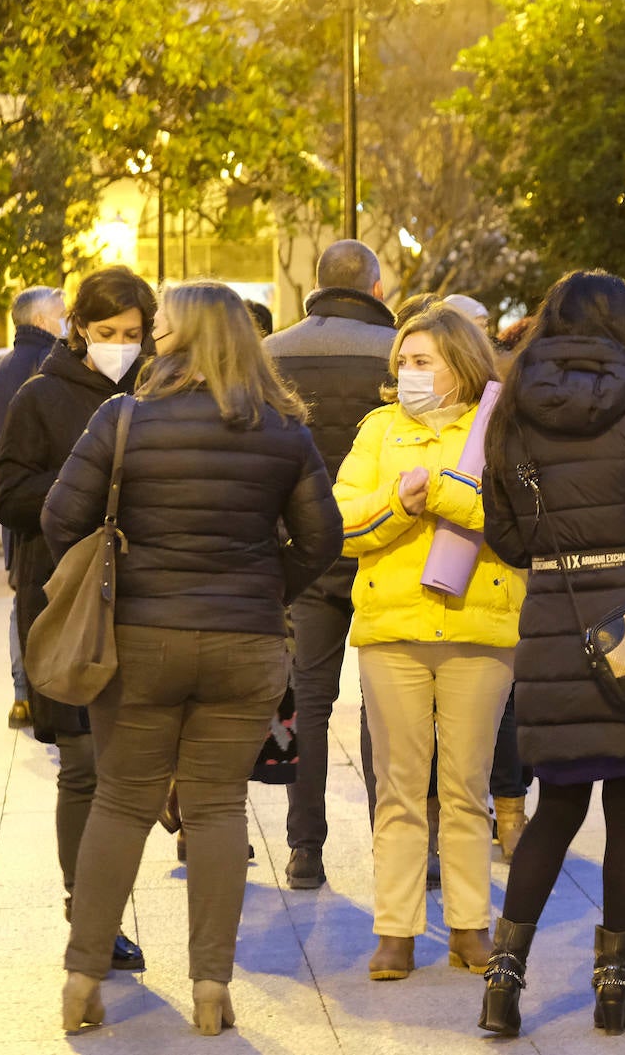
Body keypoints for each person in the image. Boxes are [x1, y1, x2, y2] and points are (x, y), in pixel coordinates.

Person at [43, 280, 342, 1035]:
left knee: (120, 801)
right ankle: (212, 989)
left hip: (141, 639)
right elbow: (322, 540)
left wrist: (124, 575)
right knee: (216, 809)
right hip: (245, 645)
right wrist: (267, 588)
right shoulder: (283, 429)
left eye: (162, 326)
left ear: (178, 337)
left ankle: (82, 978)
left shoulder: (124, 419)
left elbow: (59, 517)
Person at [478, 271, 625, 1038]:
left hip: (555, 619)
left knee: (557, 805)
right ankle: (613, 981)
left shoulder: (512, 408)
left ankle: (504, 977)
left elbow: (507, 536)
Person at [333, 303, 522, 982]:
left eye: (422, 361)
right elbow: (341, 524)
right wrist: (397, 504)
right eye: (402, 362)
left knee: (468, 786)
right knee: (399, 789)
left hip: (480, 626)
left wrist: (441, 490)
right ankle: (396, 929)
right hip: (394, 629)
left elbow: (516, 522)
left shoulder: (500, 429)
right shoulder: (380, 430)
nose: (407, 374)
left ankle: (470, 925)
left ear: (460, 363)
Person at [0, 266, 155, 974]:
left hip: (144, 601)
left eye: (133, 334)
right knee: (84, 766)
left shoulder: (153, 394)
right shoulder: (40, 396)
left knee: (124, 770)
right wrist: (84, 490)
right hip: (65, 594)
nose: (121, 345)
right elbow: (9, 494)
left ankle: (99, 907)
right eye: (108, 332)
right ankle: (88, 913)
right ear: (79, 327)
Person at [263, 240, 396, 889]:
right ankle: (389, 844)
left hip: (304, 553)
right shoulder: (399, 352)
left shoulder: (274, 352)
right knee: (385, 705)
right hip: (383, 547)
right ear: (374, 283)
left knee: (308, 702)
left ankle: (304, 848)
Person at [0, 285, 67, 730]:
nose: (67, 321)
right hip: (61, 506)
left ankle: (22, 694)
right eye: (62, 313)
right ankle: (52, 688)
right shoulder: (56, 370)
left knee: (22, 596)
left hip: (15, 510)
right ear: (42, 321)